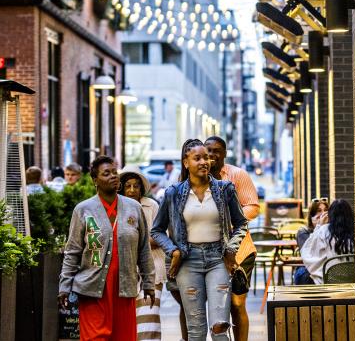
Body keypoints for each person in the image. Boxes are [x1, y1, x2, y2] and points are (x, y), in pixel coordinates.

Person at [151, 139, 248, 341]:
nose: (205, 161)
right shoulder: (173, 193)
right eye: (198, 158)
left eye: (207, 157)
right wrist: (173, 251)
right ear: (186, 163)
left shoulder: (224, 189)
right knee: (195, 330)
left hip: (218, 260)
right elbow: (157, 230)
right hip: (188, 262)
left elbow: (241, 223)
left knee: (220, 327)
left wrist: (231, 248)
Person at [58, 155, 155, 340]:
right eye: (106, 173)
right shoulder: (83, 209)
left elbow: (143, 249)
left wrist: (148, 282)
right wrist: (64, 286)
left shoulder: (133, 208)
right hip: (92, 290)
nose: (113, 176)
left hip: (124, 289)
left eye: (115, 172)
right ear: (95, 180)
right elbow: (73, 251)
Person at [205, 136, 260, 341]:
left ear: (225, 153)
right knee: (216, 305)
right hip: (208, 252)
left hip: (240, 250)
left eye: (217, 150)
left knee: (237, 304)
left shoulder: (237, 175)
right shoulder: (195, 176)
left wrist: (230, 220)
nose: (211, 155)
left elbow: (253, 206)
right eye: (208, 150)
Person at [119, 166, 165, 341]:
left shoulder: (151, 205)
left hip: (153, 269)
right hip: (124, 272)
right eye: (128, 185)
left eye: (136, 186)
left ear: (141, 188)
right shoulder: (116, 206)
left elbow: (160, 236)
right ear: (121, 187)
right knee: (130, 320)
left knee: (148, 319)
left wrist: (135, 241)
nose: (131, 190)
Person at [300, 199, 355, 284]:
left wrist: (319, 226)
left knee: (301, 275)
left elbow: (307, 253)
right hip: (352, 281)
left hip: (328, 281)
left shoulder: (323, 231)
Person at [294, 198, 330, 285]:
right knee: (302, 275)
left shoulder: (331, 230)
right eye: (319, 211)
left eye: (325, 210)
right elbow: (310, 253)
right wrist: (320, 226)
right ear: (311, 216)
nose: (323, 214)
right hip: (308, 268)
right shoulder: (303, 232)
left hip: (327, 266)